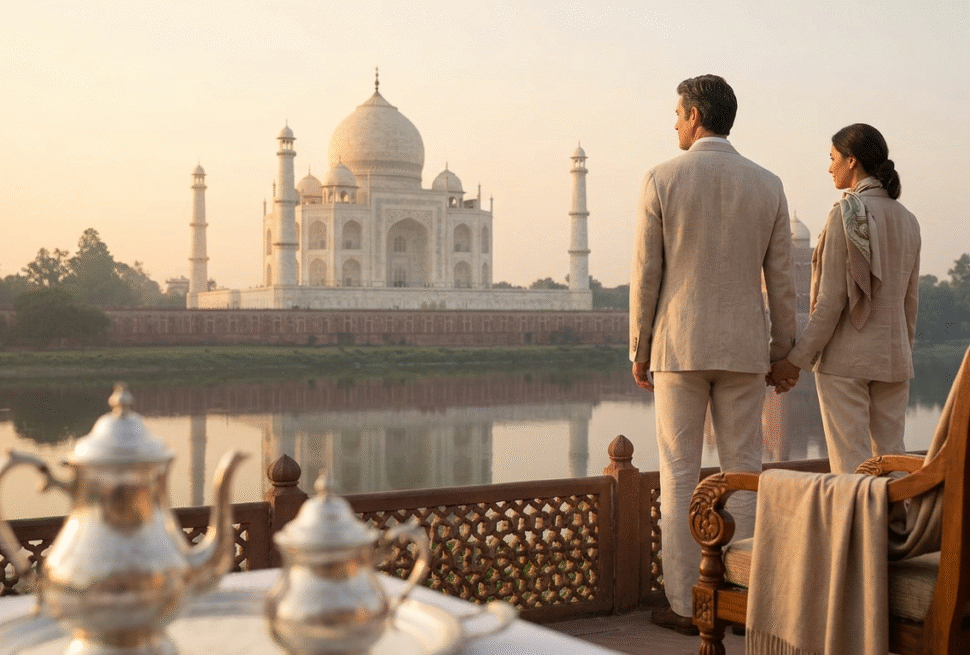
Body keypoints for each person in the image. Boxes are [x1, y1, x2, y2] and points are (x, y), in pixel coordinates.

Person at [630, 74, 796, 633]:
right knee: (745, 472)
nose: (674, 123)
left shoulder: (662, 177)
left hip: (678, 345)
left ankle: (688, 605)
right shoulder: (767, 184)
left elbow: (646, 275)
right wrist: (782, 351)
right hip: (745, 349)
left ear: (695, 116)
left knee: (679, 476)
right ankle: (743, 598)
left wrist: (638, 347)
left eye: (677, 114)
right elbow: (781, 280)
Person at [770, 124, 920, 474]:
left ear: (852, 161)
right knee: (893, 461)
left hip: (846, 363)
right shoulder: (907, 220)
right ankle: (895, 528)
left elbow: (831, 302)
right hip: (894, 359)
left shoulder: (844, 215)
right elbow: (909, 303)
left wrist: (794, 362)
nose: (829, 167)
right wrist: (901, 351)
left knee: (852, 465)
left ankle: (858, 530)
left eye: (833, 158)